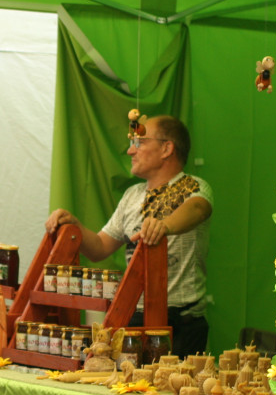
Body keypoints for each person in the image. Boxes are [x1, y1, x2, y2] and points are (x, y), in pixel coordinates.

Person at [46, 115, 213, 356]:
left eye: (140, 143)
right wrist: (74, 226)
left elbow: (198, 208)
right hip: (133, 316)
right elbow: (100, 247)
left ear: (167, 148)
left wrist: (163, 226)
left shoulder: (194, 186)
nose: (130, 151)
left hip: (181, 322)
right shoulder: (132, 195)